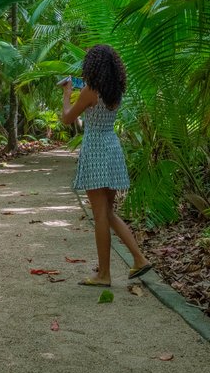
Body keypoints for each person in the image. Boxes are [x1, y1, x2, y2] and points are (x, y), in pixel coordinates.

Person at [60, 44, 152, 286]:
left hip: (96, 149)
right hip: (112, 147)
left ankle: (104, 274)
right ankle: (139, 259)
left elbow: (67, 118)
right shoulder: (115, 91)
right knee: (108, 212)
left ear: (93, 66)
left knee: (100, 214)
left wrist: (67, 94)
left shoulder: (91, 91)